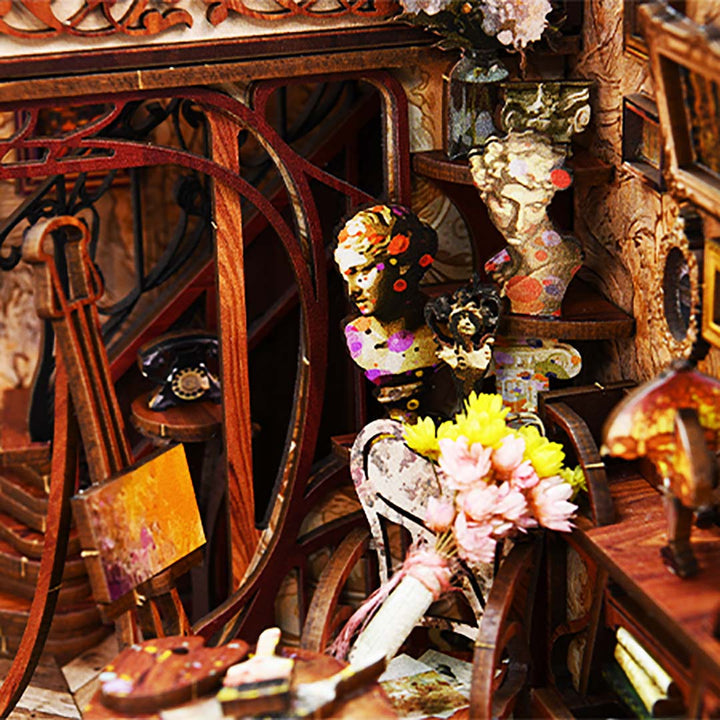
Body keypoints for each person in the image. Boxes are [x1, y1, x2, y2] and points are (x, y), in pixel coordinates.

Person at [333, 204, 443, 418]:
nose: (353, 291)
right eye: (347, 277)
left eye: (363, 271)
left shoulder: (441, 333)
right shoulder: (356, 336)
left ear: (402, 265)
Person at [469, 130, 584, 316]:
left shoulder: (555, 268)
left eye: (535, 207)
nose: (519, 224)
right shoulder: (503, 262)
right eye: (506, 203)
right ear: (486, 195)